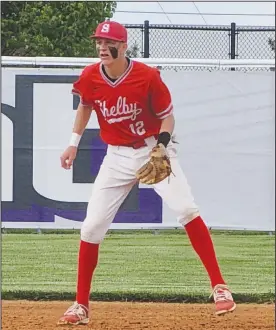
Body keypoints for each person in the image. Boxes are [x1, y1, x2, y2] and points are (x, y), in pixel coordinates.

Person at [57, 20, 236, 326]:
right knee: (91, 227)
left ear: (123, 46)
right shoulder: (90, 75)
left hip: (152, 148)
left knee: (186, 209)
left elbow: (168, 118)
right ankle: (81, 306)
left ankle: (220, 287)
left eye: (108, 42)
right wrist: (72, 143)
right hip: (116, 156)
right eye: (98, 42)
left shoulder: (147, 76)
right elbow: (86, 105)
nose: (102, 47)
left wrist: (163, 147)